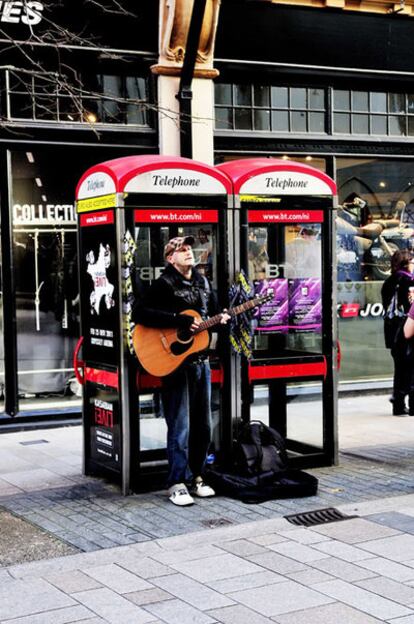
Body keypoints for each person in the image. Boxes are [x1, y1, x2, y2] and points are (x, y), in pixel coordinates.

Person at [132, 235, 230, 506]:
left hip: (201, 362)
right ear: (170, 258)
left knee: (203, 426)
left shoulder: (203, 282)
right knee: (180, 426)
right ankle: (176, 482)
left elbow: (208, 318)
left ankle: (197, 476)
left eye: (189, 248)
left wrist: (221, 321)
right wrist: (176, 320)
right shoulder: (163, 284)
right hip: (175, 365)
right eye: (181, 249)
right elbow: (139, 314)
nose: (188, 252)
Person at [381, 249, 414, 416]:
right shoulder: (409, 281)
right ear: (406, 262)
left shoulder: (388, 282)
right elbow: (411, 309)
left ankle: (398, 404)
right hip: (407, 329)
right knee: (411, 368)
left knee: (400, 367)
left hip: (392, 330)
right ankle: (407, 402)